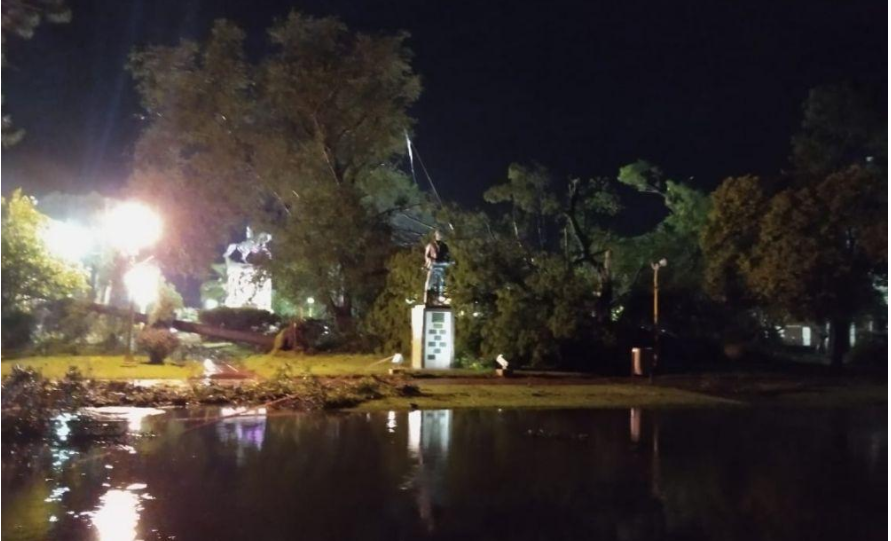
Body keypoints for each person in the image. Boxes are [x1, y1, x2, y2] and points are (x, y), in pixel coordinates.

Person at [424, 230, 451, 304]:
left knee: (441, 282)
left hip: (441, 266)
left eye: (440, 235)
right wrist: (429, 260)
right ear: (435, 235)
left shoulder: (444, 246)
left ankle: (439, 296)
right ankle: (428, 296)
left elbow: (447, 256)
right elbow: (426, 255)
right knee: (430, 282)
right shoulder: (430, 245)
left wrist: (447, 261)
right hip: (433, 265)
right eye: (438, 234)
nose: (439, 236)